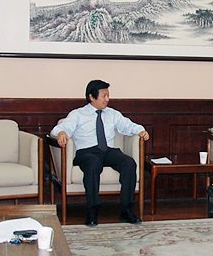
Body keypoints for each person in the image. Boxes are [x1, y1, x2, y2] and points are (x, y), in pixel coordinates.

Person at [51, 79, 149, 227]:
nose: (107, 99)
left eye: (108, 95)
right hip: (86, 152)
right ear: (92, 97)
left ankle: (126, 209)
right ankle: (92, 210)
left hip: (108, 151)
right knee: (93, 163)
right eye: (104, 96)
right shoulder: (78, 114)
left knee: (129, 163)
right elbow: (59, 129)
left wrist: (141, 130)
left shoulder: (112, 114)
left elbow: (127, 125)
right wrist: (61, 133)